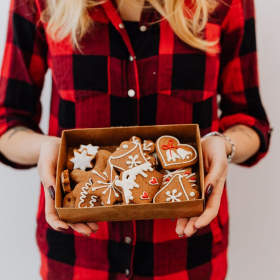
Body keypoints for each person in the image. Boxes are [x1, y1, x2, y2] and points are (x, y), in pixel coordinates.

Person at [0, 0, 270, 279]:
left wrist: (224, 146)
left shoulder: (226, 4)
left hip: (186, 258)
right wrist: (44, 148)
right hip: (78, 258)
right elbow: (8, 125)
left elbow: (250, 122)